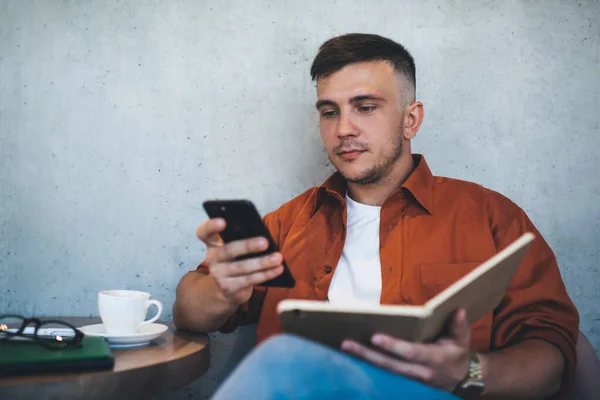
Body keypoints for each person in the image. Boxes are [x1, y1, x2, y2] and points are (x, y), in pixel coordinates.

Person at [173, 33, 579, 399]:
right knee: (283, 357)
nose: (343, 129)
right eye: (329, 112)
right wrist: (222, 292)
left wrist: (466, 372)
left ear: (411, 119)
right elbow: (188, 312)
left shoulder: (491, 217)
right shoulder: (290, 223)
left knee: (281, 355)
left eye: (365, 107)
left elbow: (554, 361)